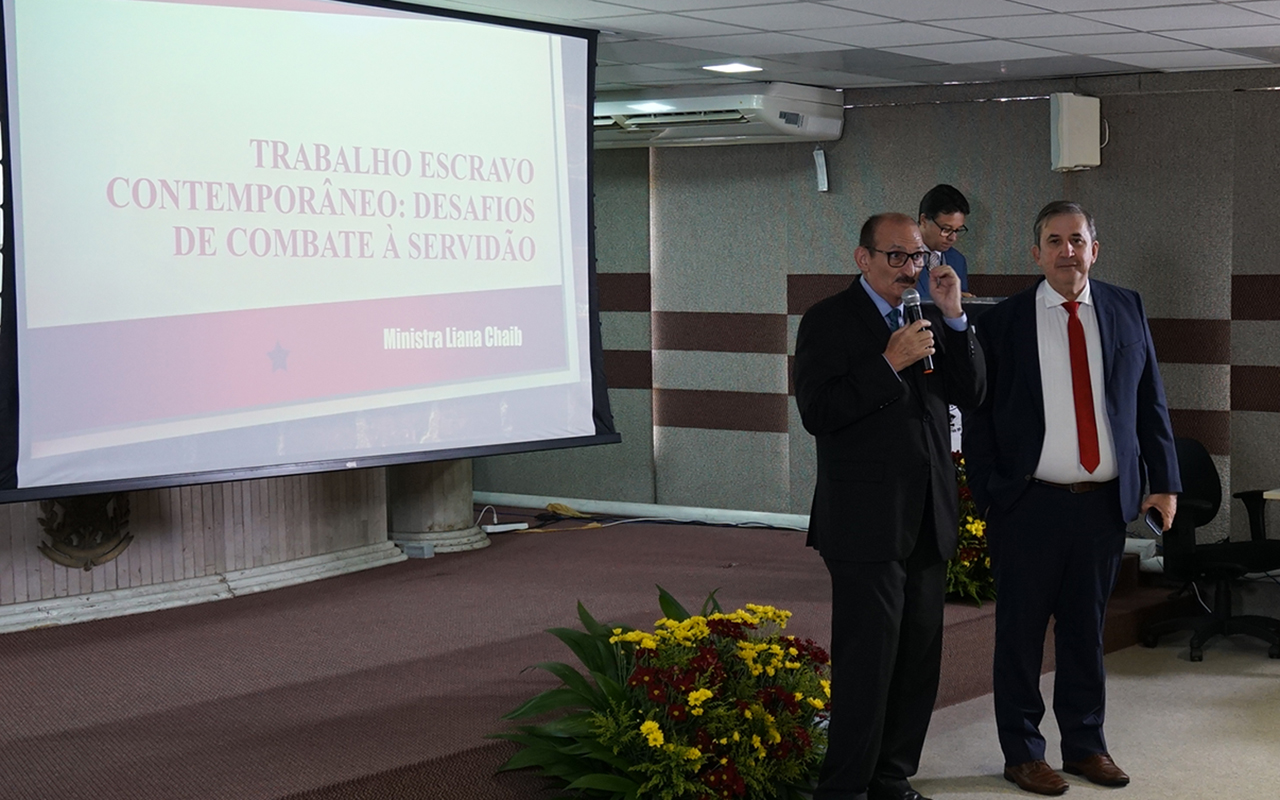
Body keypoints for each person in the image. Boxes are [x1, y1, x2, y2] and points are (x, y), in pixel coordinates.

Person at [962, 201, 1180, 796]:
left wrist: (1163, 482)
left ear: (1094, 249)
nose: (1067, 251)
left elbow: (1150, 401)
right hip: (1027, 505)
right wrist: (990, 494)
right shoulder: (1002, 322)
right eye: (1054, 241)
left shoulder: (1126, 307)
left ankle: (1085, 746)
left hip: (1102, 505)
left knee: (1086, 632)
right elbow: (978, 417)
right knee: (1021, 635)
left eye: (1077, 240)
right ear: (1036, 253)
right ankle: (1022, 753)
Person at [794, 212, 986, 800]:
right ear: (864, 258)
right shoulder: (828, 319)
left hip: (928, 513)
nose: (910, 269)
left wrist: (955, 317)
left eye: (918, 257)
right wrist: (887, 363)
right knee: (868, 662)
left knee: (917, 659)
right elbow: (818, 412)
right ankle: (845, 788)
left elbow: (973, 393)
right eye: (897, 256)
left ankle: (891, 775)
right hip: (864, 520)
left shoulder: (927, 315)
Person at [916, 184, 971, 302]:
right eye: (946, 229)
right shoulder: (899, 256)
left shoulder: (958, 260)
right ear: (924, 220)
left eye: (957, 230)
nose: (953, 238)